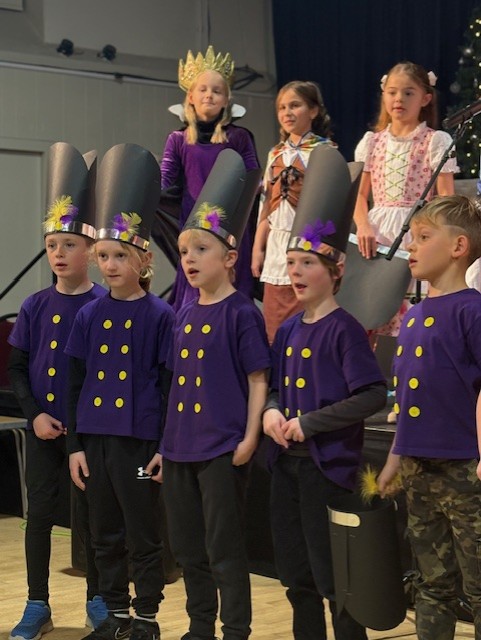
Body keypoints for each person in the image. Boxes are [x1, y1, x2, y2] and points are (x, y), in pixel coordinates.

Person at [262, 144, 387, 640]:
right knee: (297, 576)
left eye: (306, 263)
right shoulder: (289, 329)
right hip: (286, 468)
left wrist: (309, 424)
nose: (295, 272)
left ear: (334, 270)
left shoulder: (345, 330)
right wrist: (272, 412)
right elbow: (275, 387)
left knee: (335, 576)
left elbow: (372, 394)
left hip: (327, 470)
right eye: (291, 263)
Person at [160, 150, 270, 640]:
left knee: (223, 547)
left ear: (228, 258)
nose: (189, 260)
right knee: (187, 546)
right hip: (179, 448)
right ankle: (199, 625)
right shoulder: (182, 313)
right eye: (185, 252)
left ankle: (236, 629)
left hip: (221, 446)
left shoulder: (242, 313)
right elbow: (175, 383)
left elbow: (258, 379)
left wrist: (249, 438)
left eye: (200, 250)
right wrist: (164, 446)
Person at [66, 144, 175, 640]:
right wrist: (75, 446)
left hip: (137, 442)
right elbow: (74, 383)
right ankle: (113, 614)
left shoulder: (160, 316)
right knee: (103, 531)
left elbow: (168, 385)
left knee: (142, 531)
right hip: (96, 440)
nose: (110, 265)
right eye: (104, 256)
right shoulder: (89, 315)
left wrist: (162, 447)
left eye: (120, 256)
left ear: (143, 260)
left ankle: (146, 615)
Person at [7, 143, 108, 640]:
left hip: (90, 434)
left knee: (92, 517)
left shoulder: (104, 304)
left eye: (69, 245)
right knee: (41, 517)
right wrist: (35, 416)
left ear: (89, 250)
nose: (59, 254)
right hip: (45, 431)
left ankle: (98, 599)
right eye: (52, 246)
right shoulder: (34, 305)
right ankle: (37, 603)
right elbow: (17, 369)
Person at [377, 195, 481, 640]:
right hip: (419, 466)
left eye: (423, 237)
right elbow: (407, 397)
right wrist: (396, 457)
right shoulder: (414, 316)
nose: (411, 247)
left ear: (458, 246)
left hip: (465, 468)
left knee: (479, 583)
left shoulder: (473, 310)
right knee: (431, 582)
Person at [353, 61, 458, 338]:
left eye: (408, 92)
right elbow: (359, 195)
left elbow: (446, 198)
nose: (399, 99)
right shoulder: (372, 142)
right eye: (392, 92)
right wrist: (363, 226)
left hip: (417, 233)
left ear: (425, 98)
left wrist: (435, 237)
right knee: (374, 313)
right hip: (377, 235)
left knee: (413, 316)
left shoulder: (435, 141)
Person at [159, 45, 260, 312]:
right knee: (194, 294)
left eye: (217, 91)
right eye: (203, 90)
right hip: (193, 229)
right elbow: (165, 181)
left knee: (230, 293)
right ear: (190, 96)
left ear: (226, 100)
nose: (209, 95)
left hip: (230, 230)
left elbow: (253, 181)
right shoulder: (178, 140)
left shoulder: (239, 137)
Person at [251, 80, 333, 344]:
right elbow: (266, 205)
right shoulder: (275, 154)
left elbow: (330, 204)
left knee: (306, 320)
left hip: (308, 242)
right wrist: (258, 248)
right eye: (282, 107)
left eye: (295, 105)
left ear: (313, 111)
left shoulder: (324, 151)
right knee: (274, 324)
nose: (287, 112)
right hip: (277, 245)